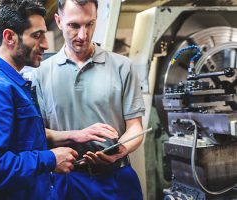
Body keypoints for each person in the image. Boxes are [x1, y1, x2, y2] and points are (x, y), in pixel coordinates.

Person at [0, 1, 79, 199]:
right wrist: (50, 159)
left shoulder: (12, 83)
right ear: (10, 37)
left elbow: (22, 138)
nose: (46, 44)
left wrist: (74, 135)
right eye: (37, 35)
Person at [31, 0, 146, 199]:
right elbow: (39, 132)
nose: (83, 35)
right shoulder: (40, 74)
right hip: (67, 181)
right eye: (74, 25)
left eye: (89, 24)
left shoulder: (123, 67)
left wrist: (120, 151)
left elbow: (135, 127)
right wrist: (77, 134)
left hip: (116, 179)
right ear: (58, 21)